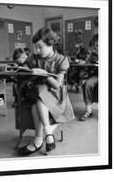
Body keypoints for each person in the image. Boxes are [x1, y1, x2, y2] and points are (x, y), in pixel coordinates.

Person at [18, 27, 75, 156]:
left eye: (40, 47)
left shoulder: (61, 60)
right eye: (35, 47)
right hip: (38, 94)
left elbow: (56, 85)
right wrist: (24, 68)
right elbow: (26, 67)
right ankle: (48, 135)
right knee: (38, 95)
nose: (37, 51)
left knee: (37, 100)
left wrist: (45, 74)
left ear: (51, 44)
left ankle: (38, 140)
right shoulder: (35, 57)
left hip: (56, 95)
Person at [79, 34, 98, 121]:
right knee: (87, 84)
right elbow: (86, 67)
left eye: (98, 45)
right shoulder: (92, 54)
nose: (96, 47)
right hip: (95, 76)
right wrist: (84, 78)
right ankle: (88, 111)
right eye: (95, 45)